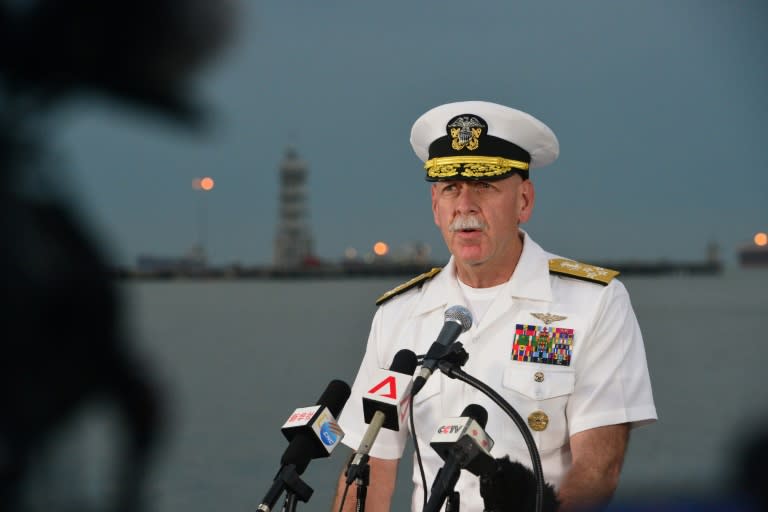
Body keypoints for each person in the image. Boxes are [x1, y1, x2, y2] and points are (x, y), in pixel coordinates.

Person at [332, 100, 657, 512]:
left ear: (524, 200)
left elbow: (598, 468)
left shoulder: (592, 302)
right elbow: (369, 468)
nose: (464, 205)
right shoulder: (399, 314)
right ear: (435, 205)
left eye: (484, 185)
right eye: (450, 187)